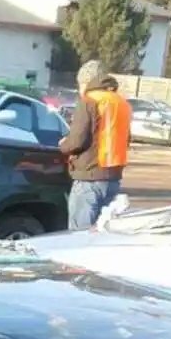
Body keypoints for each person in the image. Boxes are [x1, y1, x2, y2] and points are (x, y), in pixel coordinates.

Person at [57, 61, 132, 230]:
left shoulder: (90, 101)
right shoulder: (122, 104)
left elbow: (77, 141)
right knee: (102, 233)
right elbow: (124, 139)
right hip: (113, 177)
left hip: (89, 178)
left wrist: (63, 145)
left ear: (85, 82)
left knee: (80, 235)